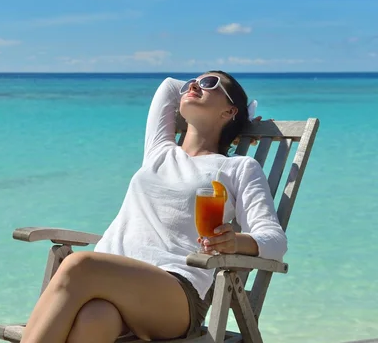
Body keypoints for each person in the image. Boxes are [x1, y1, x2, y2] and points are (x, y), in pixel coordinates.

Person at [20, 71, 288, 343]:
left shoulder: (238, 168)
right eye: (192, 83)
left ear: (229, 110)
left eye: (210, 83)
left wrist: (235, 242)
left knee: (78, 263)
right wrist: (239, 122)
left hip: (177, 295)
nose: (194, 85)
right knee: (96, 317)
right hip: (111, 287)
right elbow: (169, 86)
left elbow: (275, 241)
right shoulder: (159, 150)